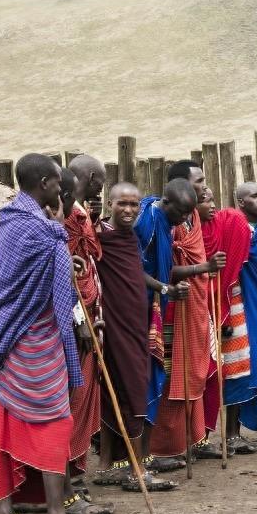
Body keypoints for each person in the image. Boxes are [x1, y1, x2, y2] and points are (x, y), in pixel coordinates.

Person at [0, 153, 99, 514]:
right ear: (48, 183)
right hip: (35, 339)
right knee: (54, 420)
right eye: (57, 186)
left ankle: (3, 512)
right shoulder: (46, 233)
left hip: (3, 336)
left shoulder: (10, 219)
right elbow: (59, 293)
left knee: (8, 416)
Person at [92, 182, 178, 493]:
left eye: (134, 205)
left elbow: (135, 273)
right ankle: (136, 470)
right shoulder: (97, 237)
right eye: (122, 204)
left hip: (136, 323)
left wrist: (163, 289)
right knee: (129, 390)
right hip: (112, 326)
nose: (128, 210)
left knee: (127, 389)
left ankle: (110, 467)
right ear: (109, 204)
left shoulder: (129, 238)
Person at [147, 161, 227, 467]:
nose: (205, 187)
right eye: (199, 181)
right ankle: (163, 448)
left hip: (194, 303)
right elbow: (160, 268)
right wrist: (202, 268)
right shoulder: (169, 219)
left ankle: (194, 439)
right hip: (171, 307)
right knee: (171, 374)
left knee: (198, 370)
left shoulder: (192, 214)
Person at [57, 155, 114, 514]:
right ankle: (66, 484)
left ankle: (75, 478)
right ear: (92, 178)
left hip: (90, 315)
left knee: (84, 397)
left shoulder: (80, 214)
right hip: (76, 320)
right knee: (74, 400)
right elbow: (67, 271)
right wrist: (81, 319)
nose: (101, 189)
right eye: (101, 181)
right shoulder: (63, 219)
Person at [221, 181, 257, 452]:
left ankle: (239, 432)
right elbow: (230, 272)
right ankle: (231, 434)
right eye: (254, 196)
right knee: (239, 368)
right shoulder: (236, 229)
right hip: (243, 308)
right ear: (240, 202)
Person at [196, 185, 254, 459]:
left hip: (228, 302)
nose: (213, 206)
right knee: (201, 374)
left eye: (213, 199)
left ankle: (231, 433)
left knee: (234, 368)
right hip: (197, 308)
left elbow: (241, 223)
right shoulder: (186, 234)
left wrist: (225, 312)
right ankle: (199, 437)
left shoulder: (226, 224)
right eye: (206, 201)